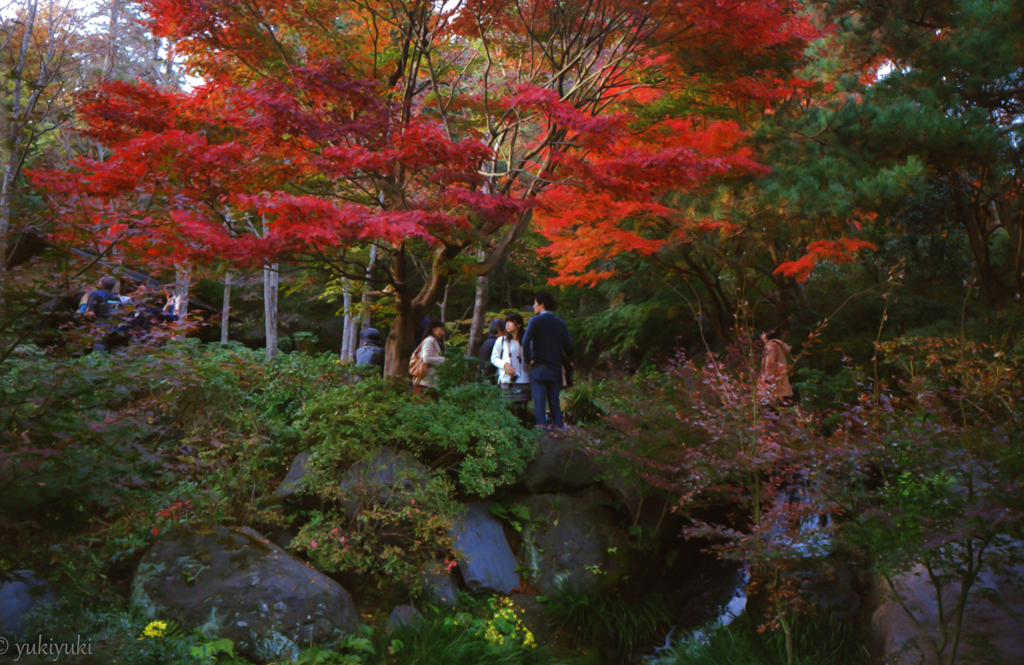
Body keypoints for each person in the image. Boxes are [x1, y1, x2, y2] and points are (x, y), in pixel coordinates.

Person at [521, 292, 573, 428]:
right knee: (554, 402)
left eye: (535, 303)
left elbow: (525, 341)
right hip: (555, 368)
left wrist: (528, 360)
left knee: (539, 403)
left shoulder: (535, 321)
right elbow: (570, 347)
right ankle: (558, 430)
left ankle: (542, 434)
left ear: (542, 304)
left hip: (538, 367)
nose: (533, 306)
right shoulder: (560, 323)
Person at [491, 313, 531, 405]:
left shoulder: (527, 341)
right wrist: (505, 365)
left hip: (524, 380)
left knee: (522, 410)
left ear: (519, 325)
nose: (507, 325)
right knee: (509, 409)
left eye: (511, 322)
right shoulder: (502, 340)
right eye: (506, 322)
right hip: (507, 380)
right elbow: (494, 358)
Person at [758, 329, 794, 405]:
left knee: (771, 409)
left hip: (773, 384)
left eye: (763, 334)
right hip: (779, 383)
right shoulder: (777, 346)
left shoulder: (771, 346)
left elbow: (769, 364)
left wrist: (767, 380)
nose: (762, 336)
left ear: (768, 335)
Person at [415, 320, 446, 393]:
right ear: (433, 329)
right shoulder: (430, 340)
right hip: (426, 383)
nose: (442, 333)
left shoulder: (433, 341)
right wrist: (443, 360)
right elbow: (426, 359)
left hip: (429, 383)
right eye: (441, 329)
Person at [478, 318, 505, 383]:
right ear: (500, 330)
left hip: (483, 378)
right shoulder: (497, 343)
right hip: (492, 379)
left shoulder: (486, 342)